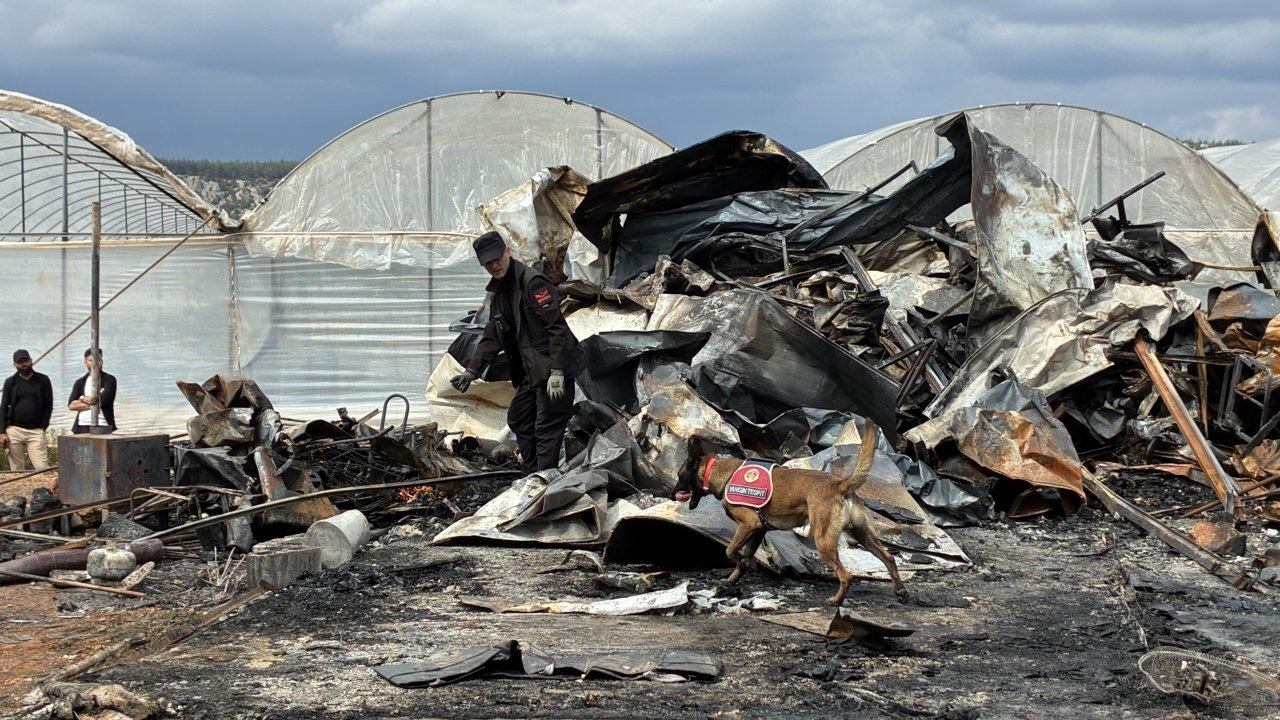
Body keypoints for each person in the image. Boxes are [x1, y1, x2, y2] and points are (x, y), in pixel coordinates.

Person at [450, 231, 584, 475]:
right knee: (520, 418)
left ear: (507, 252)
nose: (494, 265)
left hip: (553, 369)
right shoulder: (501, 291)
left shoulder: (533, 283)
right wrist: (471, 371)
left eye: (496, 259)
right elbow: (493, 334)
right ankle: (532, 475)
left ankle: (543, 480)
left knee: (546, 427)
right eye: (488, 263)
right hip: (532, 372)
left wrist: (557, 371)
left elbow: (558, 330)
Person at [1, 349, 54, 471]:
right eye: (20, 362)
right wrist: (2, 432)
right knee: (17, 470)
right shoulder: (10, 382)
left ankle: (46, 489)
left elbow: (48, 405)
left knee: (42, 468)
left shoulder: (43, 380)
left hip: (36, 431)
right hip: (15, 430)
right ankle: (18, 490)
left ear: (31, 361)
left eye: (26, 360)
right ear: (15, 365)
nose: (24, 364)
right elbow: (3, 407)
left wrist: (43, 427)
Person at [68, 347, 117, 434]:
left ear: (102, 361)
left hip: (103, 425)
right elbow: (71, 405)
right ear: (85, 362)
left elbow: (103, 401)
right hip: (81, 426)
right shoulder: (80, 382)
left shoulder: (109, 379)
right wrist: (92, 399)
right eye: (91, 360)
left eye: (98, 360)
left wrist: (81, 399)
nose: (95, 363)